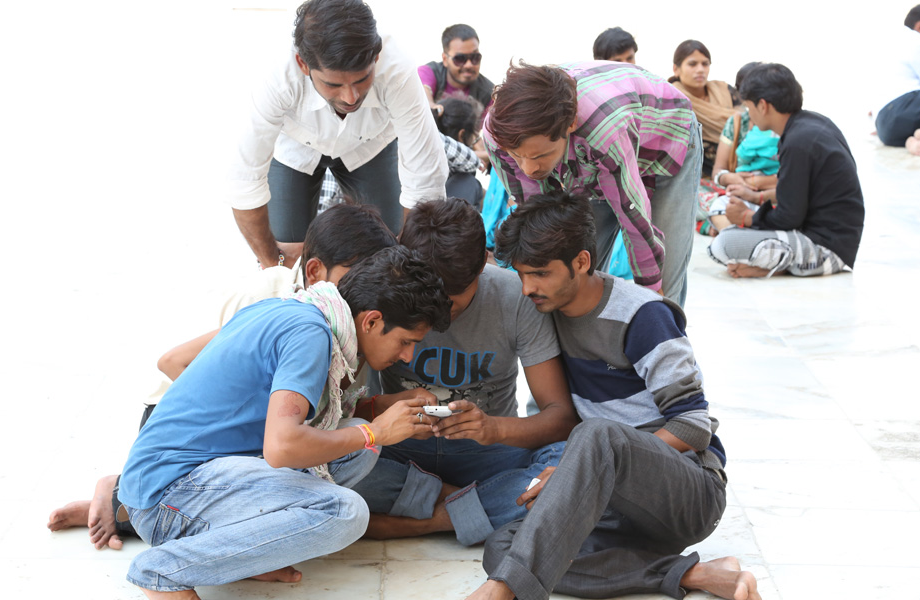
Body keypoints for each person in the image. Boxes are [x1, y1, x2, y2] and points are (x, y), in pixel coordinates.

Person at [47, 203, 398, 551]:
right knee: (275, 469)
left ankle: (227, 536)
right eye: (358, 275)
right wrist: (263, 435)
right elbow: (174, 362)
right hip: (181, 420)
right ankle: (121, 501)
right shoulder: (275, 297)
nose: (369, 287)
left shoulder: (348, 319)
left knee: (333, 452)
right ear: (316, 271)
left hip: (256, 427)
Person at [466, 191, 759, 600]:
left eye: (540, 273)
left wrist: (596, 464)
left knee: (598, 436)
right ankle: (692, 576)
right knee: (505, 548)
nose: (528, 288)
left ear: (582, 262)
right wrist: (584, 476)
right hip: (616, 502)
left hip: (686, 491)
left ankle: (501, 593)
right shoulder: (545, 311)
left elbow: (693, 426)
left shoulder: (643, 316)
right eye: (521, 274)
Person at [117, 246, 451, 599]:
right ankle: (161, 571)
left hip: (186, 478)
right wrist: (376, 430)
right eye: (405, 341)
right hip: (169, 499)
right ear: (371, 321)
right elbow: (282, 447)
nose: (407, 355)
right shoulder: (310, 334)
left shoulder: (296, 309)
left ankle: (243, 555)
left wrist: (381, 411)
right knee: (345, 511)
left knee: (361, 449)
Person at [350, 197, 578, 546]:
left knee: (565, 465)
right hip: (399, 452)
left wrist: (492, 427)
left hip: (490, 454)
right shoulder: (380, 296)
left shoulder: (515, 297)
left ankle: (430, 518)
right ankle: (479, 507)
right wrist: (388, 406)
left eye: (452, 301)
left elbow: (561, 417)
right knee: (332, 458)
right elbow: (341, 411)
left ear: (482, 266)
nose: (438, 314)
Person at [228, 0, 447, 270]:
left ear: (376, 58)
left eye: (361, 80)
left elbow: (425, 181)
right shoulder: (277, 75)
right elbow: (244, 181)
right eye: (333, 84)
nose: (350, 97)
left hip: (371, 145)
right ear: (303, 64)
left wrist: (408, 266)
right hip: (295, 150)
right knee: (287, 257)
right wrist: (273, 262)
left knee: (390, 250)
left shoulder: (398, 68)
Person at [482, 61, 702, 307]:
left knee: (662, 288)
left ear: (571, 123)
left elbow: (631, 211)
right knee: (569, 269)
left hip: (665, 138)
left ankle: (665, 335)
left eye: (540, 156)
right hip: (599, 151)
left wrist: (651, 290)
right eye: (517, 155)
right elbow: (539, 211)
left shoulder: (603, 131)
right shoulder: (497, 135)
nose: (528, 169)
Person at [708, 64, 865, 278]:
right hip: (815, 231)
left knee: (724, 244)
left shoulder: (799, 141)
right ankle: (768, 263)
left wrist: (747, 218)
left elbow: (789, 217)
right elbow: (794, 194)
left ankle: (776, 267)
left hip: (827, 248)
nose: (749, 114)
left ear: (763, 106)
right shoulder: (809, 124)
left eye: (749, 107)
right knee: (720, 205)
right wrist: (754, 197)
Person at [699, 62, 780, 236]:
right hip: (740, 191)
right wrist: (733, 178)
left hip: (775, 194)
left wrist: (755, 183)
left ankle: (734, 234)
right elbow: (718, 172)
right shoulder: (737, 123)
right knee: (698, 195)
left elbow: (793, 180)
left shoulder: (780, 123)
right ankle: (737, 234)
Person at [668, 40, 740, 175]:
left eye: (705, 64)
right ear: (676, 69)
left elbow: (747, 123)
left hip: (741, 167)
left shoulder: (725, 90)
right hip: (696, 175)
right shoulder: (673, 100)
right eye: (692, 64)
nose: (700, 69)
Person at [874, 2, 920, 155]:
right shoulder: (919, 41)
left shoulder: (889, 43)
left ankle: (915, 139)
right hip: (907, 106)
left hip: (885, 128)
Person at [418, 24, 494, 114]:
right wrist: (432, 107)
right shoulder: (430, 72)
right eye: (460, 58)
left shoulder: (489, 94)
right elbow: (423, 93)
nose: (468, 65)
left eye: (475, 57)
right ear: (445, 59)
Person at [434, 97, 485, 206]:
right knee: (469, 182)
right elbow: (474, 162)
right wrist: (486, 154)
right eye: (475, 135)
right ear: (462, 134)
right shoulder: (436, 142)